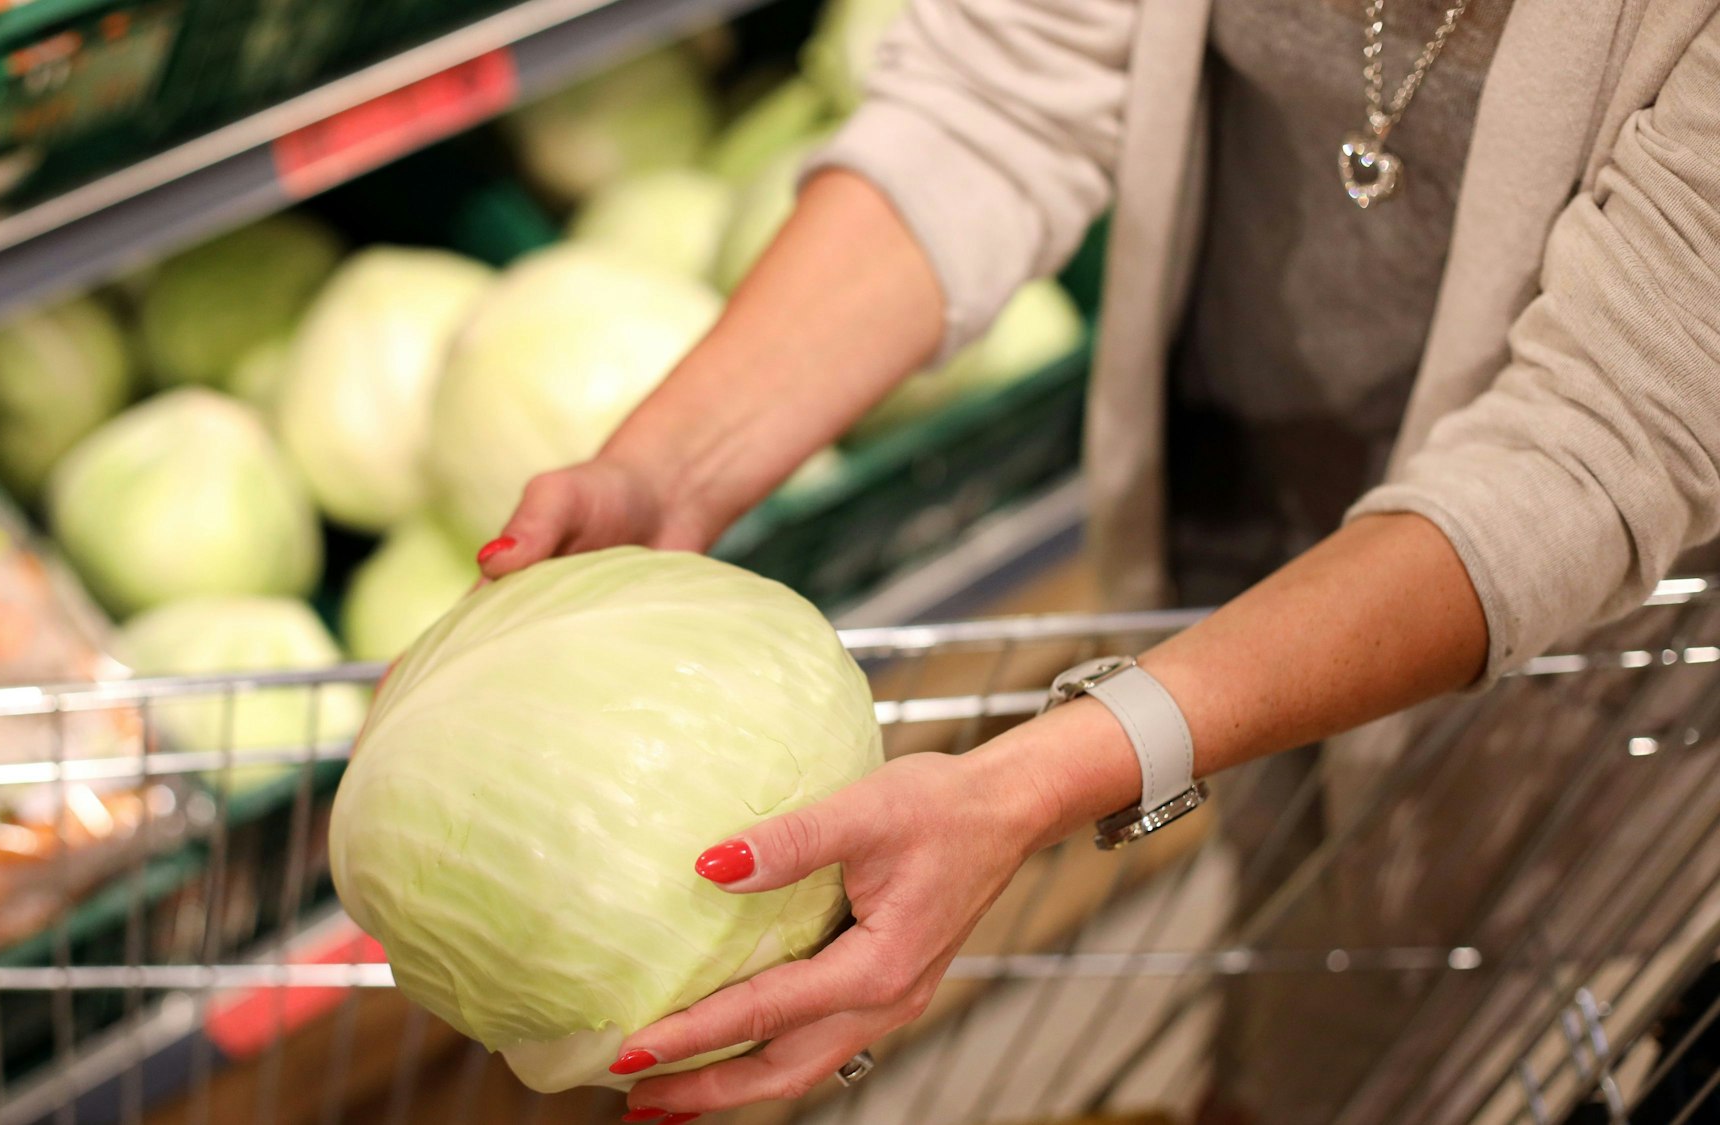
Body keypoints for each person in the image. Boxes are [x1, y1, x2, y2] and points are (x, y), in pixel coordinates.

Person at [476, 0, 1720, 1119]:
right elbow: (999, 92)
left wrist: (1028, 786)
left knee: (1369, 1024)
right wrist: (674, 467)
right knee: (1277, 913)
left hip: (1561, 655)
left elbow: (1595, 443)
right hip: (1247, 512)